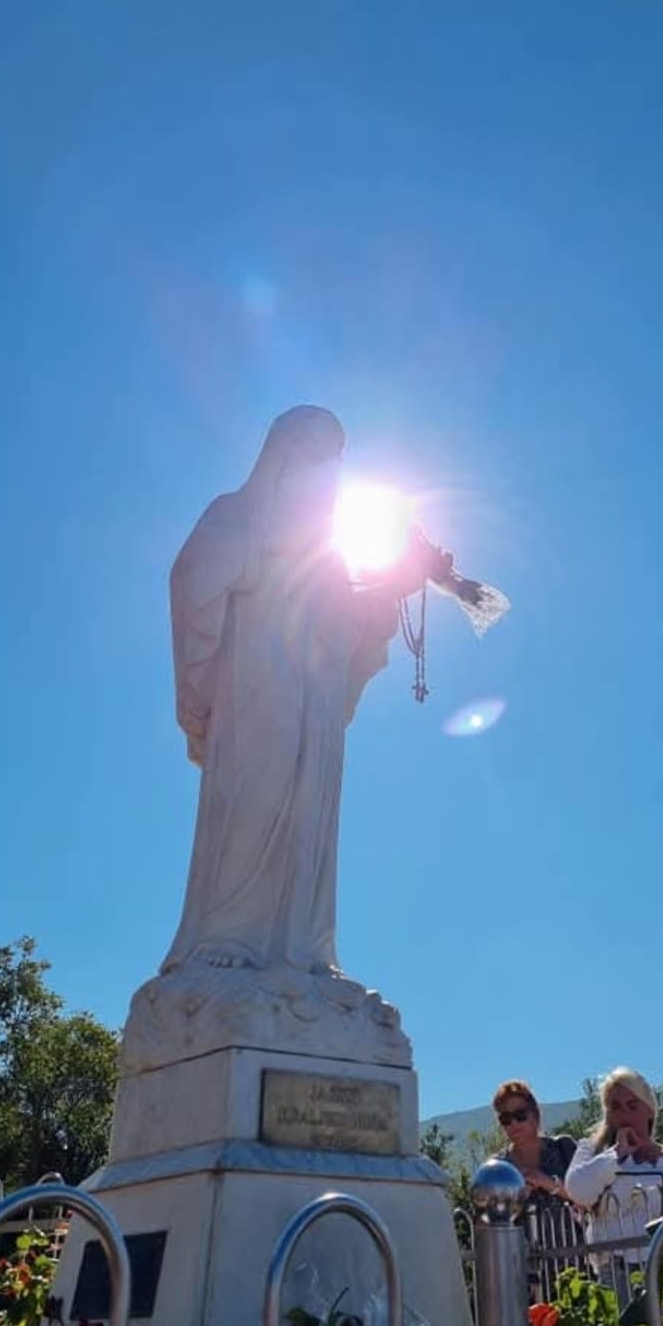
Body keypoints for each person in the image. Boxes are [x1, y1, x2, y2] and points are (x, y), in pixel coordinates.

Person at [162, 406, 445, 976]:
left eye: (334, 458)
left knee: (310, 817)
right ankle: (228, 934)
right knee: (254, 801)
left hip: (313, 705)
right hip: (256, 694)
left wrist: (399, 582)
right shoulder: (240, 516)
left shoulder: (331, 553)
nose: (325, 470)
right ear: (281, 455)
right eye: (314, 452)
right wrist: (252, 562)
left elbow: (350, 622)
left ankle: (302, 947)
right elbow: (193, 578)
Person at [565, 1067, 663, 1288]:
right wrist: (616, 1154)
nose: (625, 1114)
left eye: (633, 1106)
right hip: (616, 1275)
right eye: (616, 1107)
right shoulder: (592, 1153)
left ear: (650, 1110)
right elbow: (577, 1190)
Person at [493, 1080, 577, 1209]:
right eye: (506, 1119)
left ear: (535, 1114)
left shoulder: (564, 1148)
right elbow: (488, 1222)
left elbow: (592, 1199)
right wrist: (515, 1201)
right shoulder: (497, 1168)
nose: (514, 1123)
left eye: (520, 1115)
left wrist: (549, 1183)